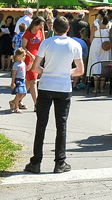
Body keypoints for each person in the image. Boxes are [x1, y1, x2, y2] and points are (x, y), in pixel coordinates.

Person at [23, 16, 84, 174]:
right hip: (64, 87)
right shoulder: (75, 44)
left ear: (53, 29)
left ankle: (36, 162)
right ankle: (60, 162)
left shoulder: (46, 42)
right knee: (61, 125)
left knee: (41, 124)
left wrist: (48, 71)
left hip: (46, 85)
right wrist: (66, 73)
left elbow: (36, 68)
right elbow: (80, 70)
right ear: (68, 29)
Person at [22, 19, 45, 110]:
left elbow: (43, 42)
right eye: (40, 25)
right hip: (29, 59)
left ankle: (17, 100)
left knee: (28, 82)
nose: (41, 27)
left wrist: (42, 31)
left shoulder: (39, 32)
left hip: (37, 59)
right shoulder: (28, 33)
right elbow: (23, 47)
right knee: (33, 81)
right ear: (35, 24)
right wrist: (30, 55)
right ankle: (37, 104)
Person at [88, 13, 112, 94]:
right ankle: (102, 88)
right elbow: (110, 36)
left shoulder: (95, 24)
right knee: (105, 64)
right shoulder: (109, 24)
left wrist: (92, 45)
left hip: (96, 42)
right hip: (106, 44)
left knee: (95, 64)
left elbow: (91, 36)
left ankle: (95, 88)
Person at [9, 48, 29, 112]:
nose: (24, 57)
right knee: (18, 94)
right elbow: (14, 74)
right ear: (18, 56)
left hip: (23, 80)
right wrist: (12, 82)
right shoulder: (16, 64)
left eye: (25, 55)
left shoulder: (23, 63)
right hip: (18, 80)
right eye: (23, 55)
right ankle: (16, 108)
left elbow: (27, 69)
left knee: (24, 93)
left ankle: (13, 102)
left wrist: (31, 62)